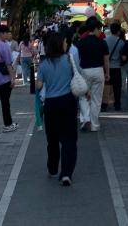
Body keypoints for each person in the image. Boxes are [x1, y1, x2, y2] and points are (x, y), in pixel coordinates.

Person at [37, 33, 79, 186]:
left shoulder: (44, 64)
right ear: (61, 44)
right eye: (65, 42)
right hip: (67, 101)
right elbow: (77, 76)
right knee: (69, 139)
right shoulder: (68, 60)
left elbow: (39, 86)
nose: (67, 44)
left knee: (52, 139)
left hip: (51, 104)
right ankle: (66, 173)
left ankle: (53, 168)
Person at [73, 19, 109, 132]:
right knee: (96, 99)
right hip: (99, 71)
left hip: (85, 71)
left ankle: (85, 119)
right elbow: (106, 60)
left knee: (83, 96)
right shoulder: (102, 42)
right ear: (96, 29)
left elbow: (77, 59)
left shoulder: (81, 42)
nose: (100, 31)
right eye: (99, 29)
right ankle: (95, 125)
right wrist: (107, 73)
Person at [103, 23, 126, 112]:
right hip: (116, 67)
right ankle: (117, 105)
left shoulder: (105, 40)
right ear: (118, 31)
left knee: (106, 86)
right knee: (117, 87)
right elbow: (122, 55)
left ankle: (104, 104)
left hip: (107, 67)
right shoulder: (121, 42)